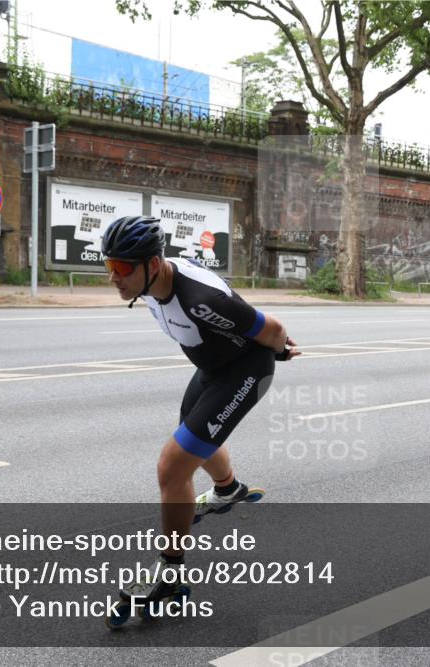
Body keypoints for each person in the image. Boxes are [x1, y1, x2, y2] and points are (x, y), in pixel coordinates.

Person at [101, 216, 300, 608]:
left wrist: (279, 349)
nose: (113, 278)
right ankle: (228, 489)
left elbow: (272, 328)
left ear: (153, 264)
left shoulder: (200, 301)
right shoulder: (151, 283)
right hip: (212, 368)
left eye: (121, 268)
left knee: (173, 465)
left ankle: (170, 575)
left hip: (244, 371)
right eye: (108, 266)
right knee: (193, 437)